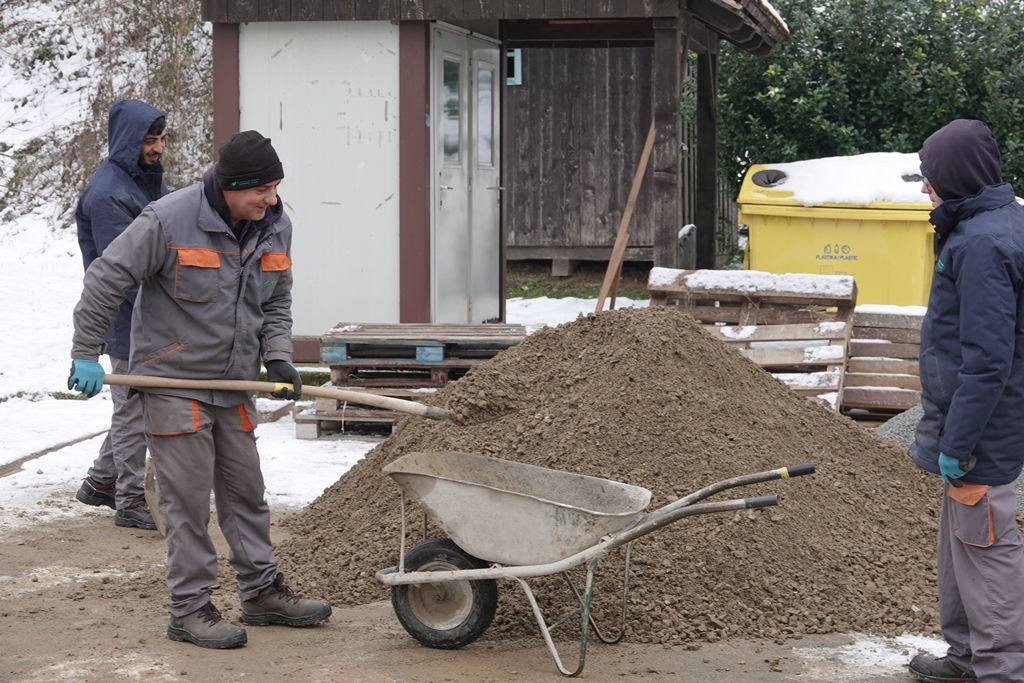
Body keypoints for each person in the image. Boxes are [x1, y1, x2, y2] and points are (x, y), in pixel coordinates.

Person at [67, 130, 330, 649]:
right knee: (187, 501)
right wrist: (85, 351)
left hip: (232, 381)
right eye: (263, 190)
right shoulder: (168, 220)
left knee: (246, 491)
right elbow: (107, 278)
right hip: (171, 381)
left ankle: (260, 592)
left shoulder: (274, 226)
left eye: (276, 188)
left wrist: (276, 354)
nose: (272, 199)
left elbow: (276, 299)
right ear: (232, 187)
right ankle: (189, 608)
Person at [908, 119, 1024, 683]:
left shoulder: (983, 243)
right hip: (968, 423)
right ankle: (966, 658)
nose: (924, 187)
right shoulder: (984, 227)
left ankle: (1001, 670)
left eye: (930, 177)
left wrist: (958, 441)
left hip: (981, 429)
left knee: (987, 549)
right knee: (961, 546)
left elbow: (988, 360)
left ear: (955, 176)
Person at [73, 99, 169, 531]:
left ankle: (100, 480)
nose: (159, 148)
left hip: (147, 316)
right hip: (126, 317)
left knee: (133, 405)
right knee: (133, 410)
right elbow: (122, 270)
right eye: (150, 139)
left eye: (162, 138)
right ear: (129, 141)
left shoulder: (142, 181)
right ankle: (129, 499)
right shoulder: (110, 194)